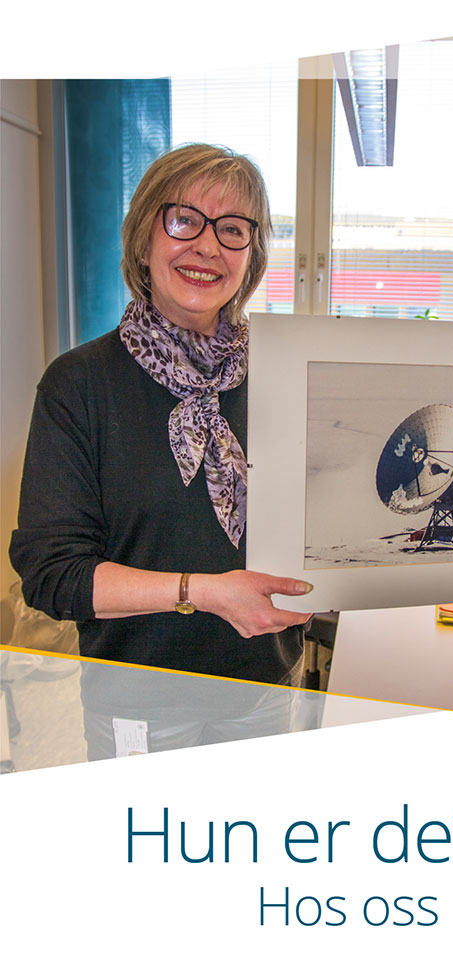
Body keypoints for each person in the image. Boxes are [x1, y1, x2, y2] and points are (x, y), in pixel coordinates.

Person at [10, 143, 313, 693]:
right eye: (184, 220)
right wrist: (203, 592)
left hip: (267, 680)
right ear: (143, 239)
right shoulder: (78, 384)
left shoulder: (286, 376)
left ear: (251, 256)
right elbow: (52, 574)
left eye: (233, 229)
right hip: (137, 692)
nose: (208, 246)